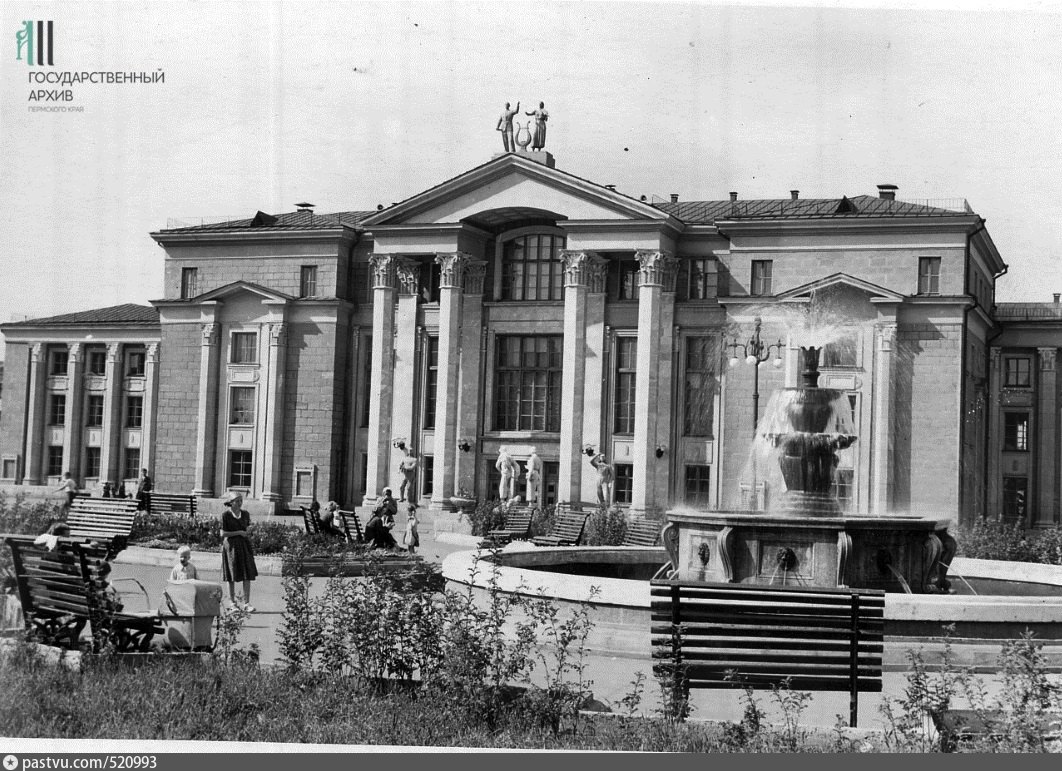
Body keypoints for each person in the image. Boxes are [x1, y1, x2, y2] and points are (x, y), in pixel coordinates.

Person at [219, 491, 258, 612]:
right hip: (231, 546)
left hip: (244, 545)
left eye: (241, 501)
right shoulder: (225, 515)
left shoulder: (245, 514)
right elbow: (223, 533)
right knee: (231, 574)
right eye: (237, 501)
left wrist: (249, 531)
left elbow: (247, 528)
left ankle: (246, 603)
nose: (240, 503)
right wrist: (239, 533)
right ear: (231, 503)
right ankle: (232, 603)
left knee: (247, 573)